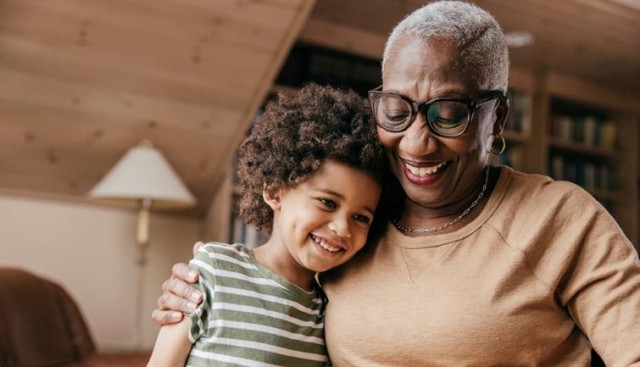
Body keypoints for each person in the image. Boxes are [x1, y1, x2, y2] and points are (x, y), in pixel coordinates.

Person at [152, 1, 640, 366]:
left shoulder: (561, 218)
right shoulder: (360, 220)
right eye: (397, 110)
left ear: (498, 116)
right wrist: (205, 294)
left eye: (449, 113)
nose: (417, 143)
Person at [146, 83, 388, 366]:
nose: (342, 228)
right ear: (274, 191)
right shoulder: (215, 269)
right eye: (328, 203)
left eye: (361, 217)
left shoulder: (331, 312)